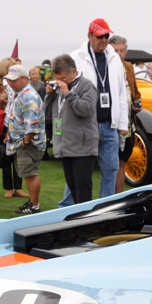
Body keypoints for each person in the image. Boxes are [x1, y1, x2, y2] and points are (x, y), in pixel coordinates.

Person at [67, 18, 127, 202]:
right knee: (79, 171)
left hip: (109, 124)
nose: (104, 40)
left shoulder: (114, 57)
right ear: (90, 36)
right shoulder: (76, 57)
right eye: (100, 36)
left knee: (111, 168)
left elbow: (121, 92)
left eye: (106, 36)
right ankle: (68, 207)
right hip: (85, 125)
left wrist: (123, 122)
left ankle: (104, 207)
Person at [46, 54, 98, 203]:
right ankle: (78, 222)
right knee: (73, 188)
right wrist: (49, 94)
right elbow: (48, 114)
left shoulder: (87, 86)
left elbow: (86, 110)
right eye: (57, 78)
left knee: (83, 189)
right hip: (65, 146)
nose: (60, 81)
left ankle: (87, 224)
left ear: (73, 71)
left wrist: (68, 94)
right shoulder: (59, 87)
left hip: (83, 147)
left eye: (63, 78)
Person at [4, 65, 45, 214]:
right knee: (28, 173)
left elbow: (32, 123)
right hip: (24, 142)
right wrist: (11, 134)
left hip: (29, 144)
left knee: (30, 173)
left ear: (24, 79)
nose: (10, 83)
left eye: (14, 80)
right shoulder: (22, 93)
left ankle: (34, 206)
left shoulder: (28, 96)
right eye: (9, 80)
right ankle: (32, 203)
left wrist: (25, 141)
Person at [0, 58, 25, 200]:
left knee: (18, 157)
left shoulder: (19, 84)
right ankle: (8, 188)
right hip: (3, 125)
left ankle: (18, 188)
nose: (13, 68)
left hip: (17, 125)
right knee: (5, 155)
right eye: (10, 67)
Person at [109, 35, 144, 192]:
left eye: (122, 50)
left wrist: (137, 103)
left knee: (122, 162)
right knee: (110, 164)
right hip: (110, 125)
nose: (119, 53)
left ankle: (118, 198)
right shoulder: (105, 68)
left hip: (129, 125)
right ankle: (107, 200)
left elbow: (135, 92)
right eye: (115, 50)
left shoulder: (128, 66)